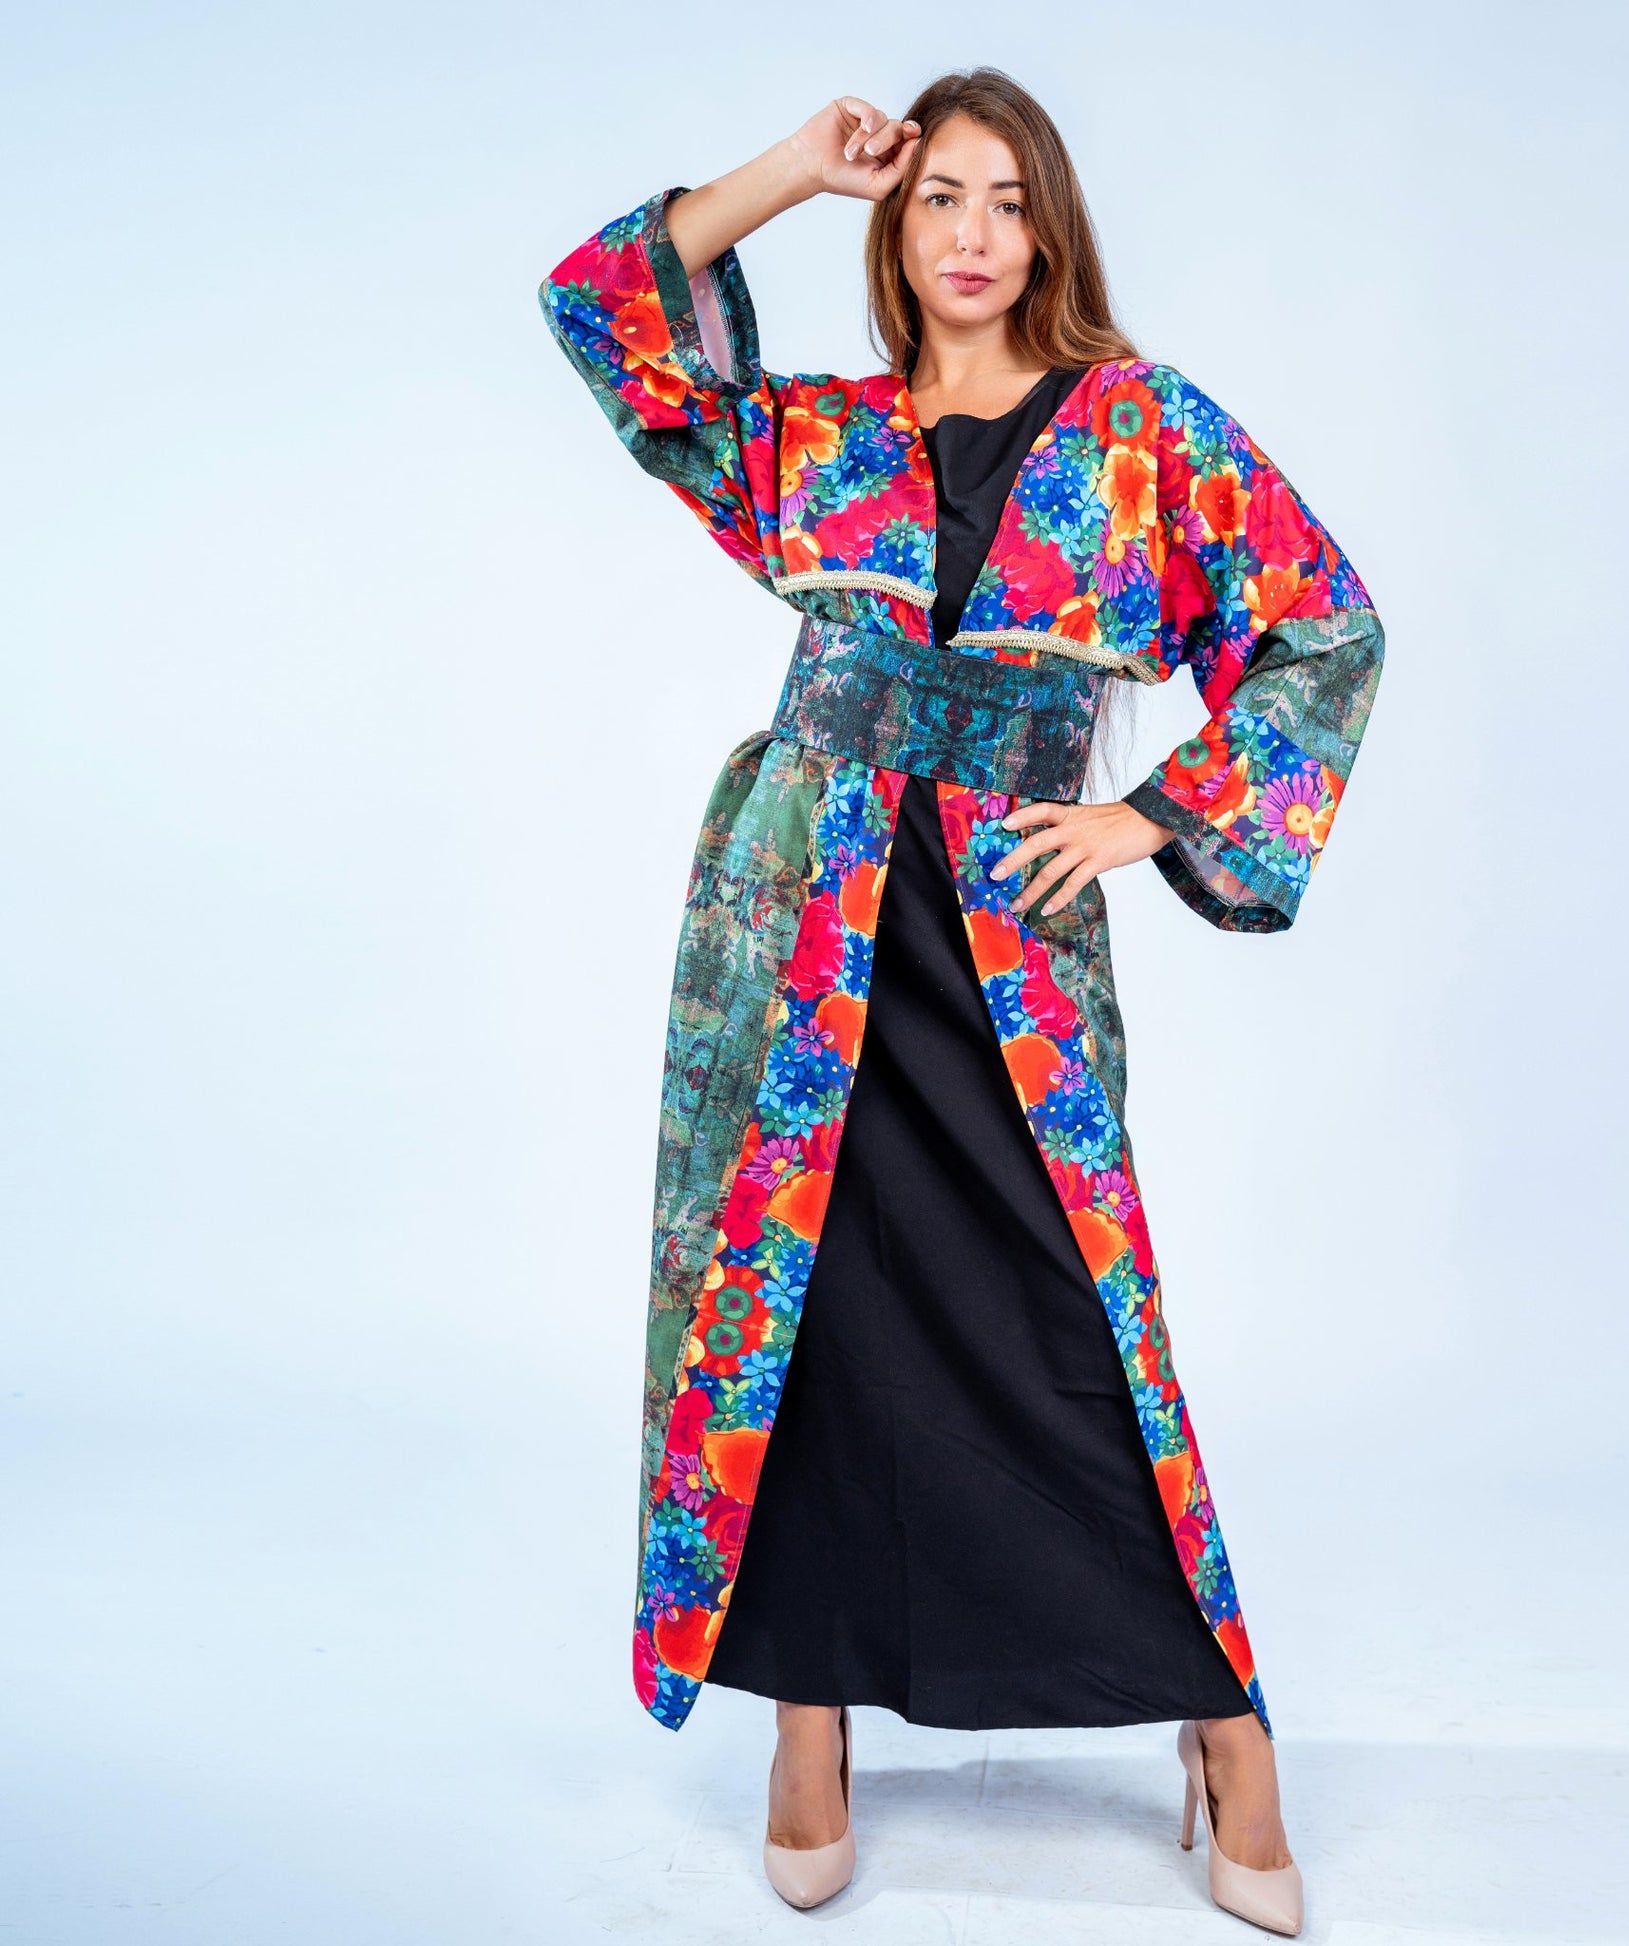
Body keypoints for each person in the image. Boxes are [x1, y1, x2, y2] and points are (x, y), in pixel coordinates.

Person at [538, 66, 1384, 1936]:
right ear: (895, 227)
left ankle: (1222, 1717)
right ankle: (808, 1718)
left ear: (1050, 228)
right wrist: (792, 166)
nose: (974, 234)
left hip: (1005, 926)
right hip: (802, 922)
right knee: (801, 1305)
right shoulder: (819, 436)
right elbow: (604, 319)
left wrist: (1153, 812)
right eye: (938, 198)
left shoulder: (1141, 428)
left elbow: (1323, 623)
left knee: (1070, 1304)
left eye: (1007, 199)